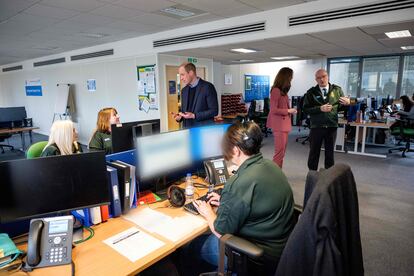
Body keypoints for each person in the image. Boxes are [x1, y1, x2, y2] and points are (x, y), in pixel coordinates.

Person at [184, 121, 294, 275]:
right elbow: (254, 201)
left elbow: (220, 231)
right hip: (282, 247)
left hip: (256, 255)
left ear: (236, 150)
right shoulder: (271, 166)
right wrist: (226, 201)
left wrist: (208, 211)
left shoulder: (238, 183)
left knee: (190, 248)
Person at [303, 69, 351, 171]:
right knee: (314, 152)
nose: (321, 79)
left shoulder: (337, 90)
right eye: (319, 78)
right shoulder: (311, 92)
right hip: (317, 127)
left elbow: (341, 108)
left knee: (330, 153)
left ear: (328, 76)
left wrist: (347, 103)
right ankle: (312, 174)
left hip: (331, 126)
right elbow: (305, 110)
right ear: (316, 79)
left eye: (323, 76)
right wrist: (320, 108)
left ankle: (329, 175)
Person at [171, 62, 218, 128]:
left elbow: (214, 111)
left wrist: (194, 115)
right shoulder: (184, 91)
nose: (181, 78)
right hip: (187, 131)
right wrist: (180, 117)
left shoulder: (208, 87)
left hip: (203, 131)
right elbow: (184, 112)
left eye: (182, 75)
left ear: (191, 73)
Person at [266, 67, 297, 168]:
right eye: (290, 77)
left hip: (284, 125)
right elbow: (273, 110)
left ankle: (278, 173)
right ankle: (275, 176)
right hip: (279, 125)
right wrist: (288, 111)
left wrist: (289, 110)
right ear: (285, 77)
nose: (291, 79)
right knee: (279, 153)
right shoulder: (275, 90)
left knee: (282, 152)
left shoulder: (283, 91)